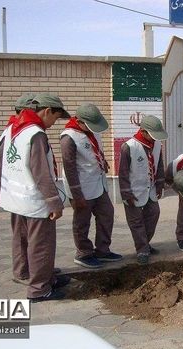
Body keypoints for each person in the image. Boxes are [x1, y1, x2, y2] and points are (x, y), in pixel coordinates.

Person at [0, 93, 71, 303]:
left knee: (21, 240)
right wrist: (54, 202)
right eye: (55, 117)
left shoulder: (12, 129)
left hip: (15, 199)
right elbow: (41, 172)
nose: (55, 123)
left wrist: (1, 191)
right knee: (41, 245)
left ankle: (26, 273)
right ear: (47, 111)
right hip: (34, 202)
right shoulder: (35, 134)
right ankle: (39, 289)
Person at [60, 103, 122, 268]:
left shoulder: (92, 131)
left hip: (98, 183)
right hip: (81, 187)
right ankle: (84, 253)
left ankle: (103, 250)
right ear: (79, 121)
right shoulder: (69, 137)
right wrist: (76, 195)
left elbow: (94, 150)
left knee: (107, 214)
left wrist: (103, 161)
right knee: (82, 221)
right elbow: (69, 167)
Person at [118, 115, 168, 266]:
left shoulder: (157, 145)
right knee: (136, 222)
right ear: (144, 132)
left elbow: (159, 166)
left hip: (151, 189)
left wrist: (160, 185)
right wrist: (126, 193)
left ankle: (145, 244)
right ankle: (142, 250)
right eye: (152, 135)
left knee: (153, 214)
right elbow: (123, 172)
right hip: (134, 192)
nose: (154, 139)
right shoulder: (129, 146)